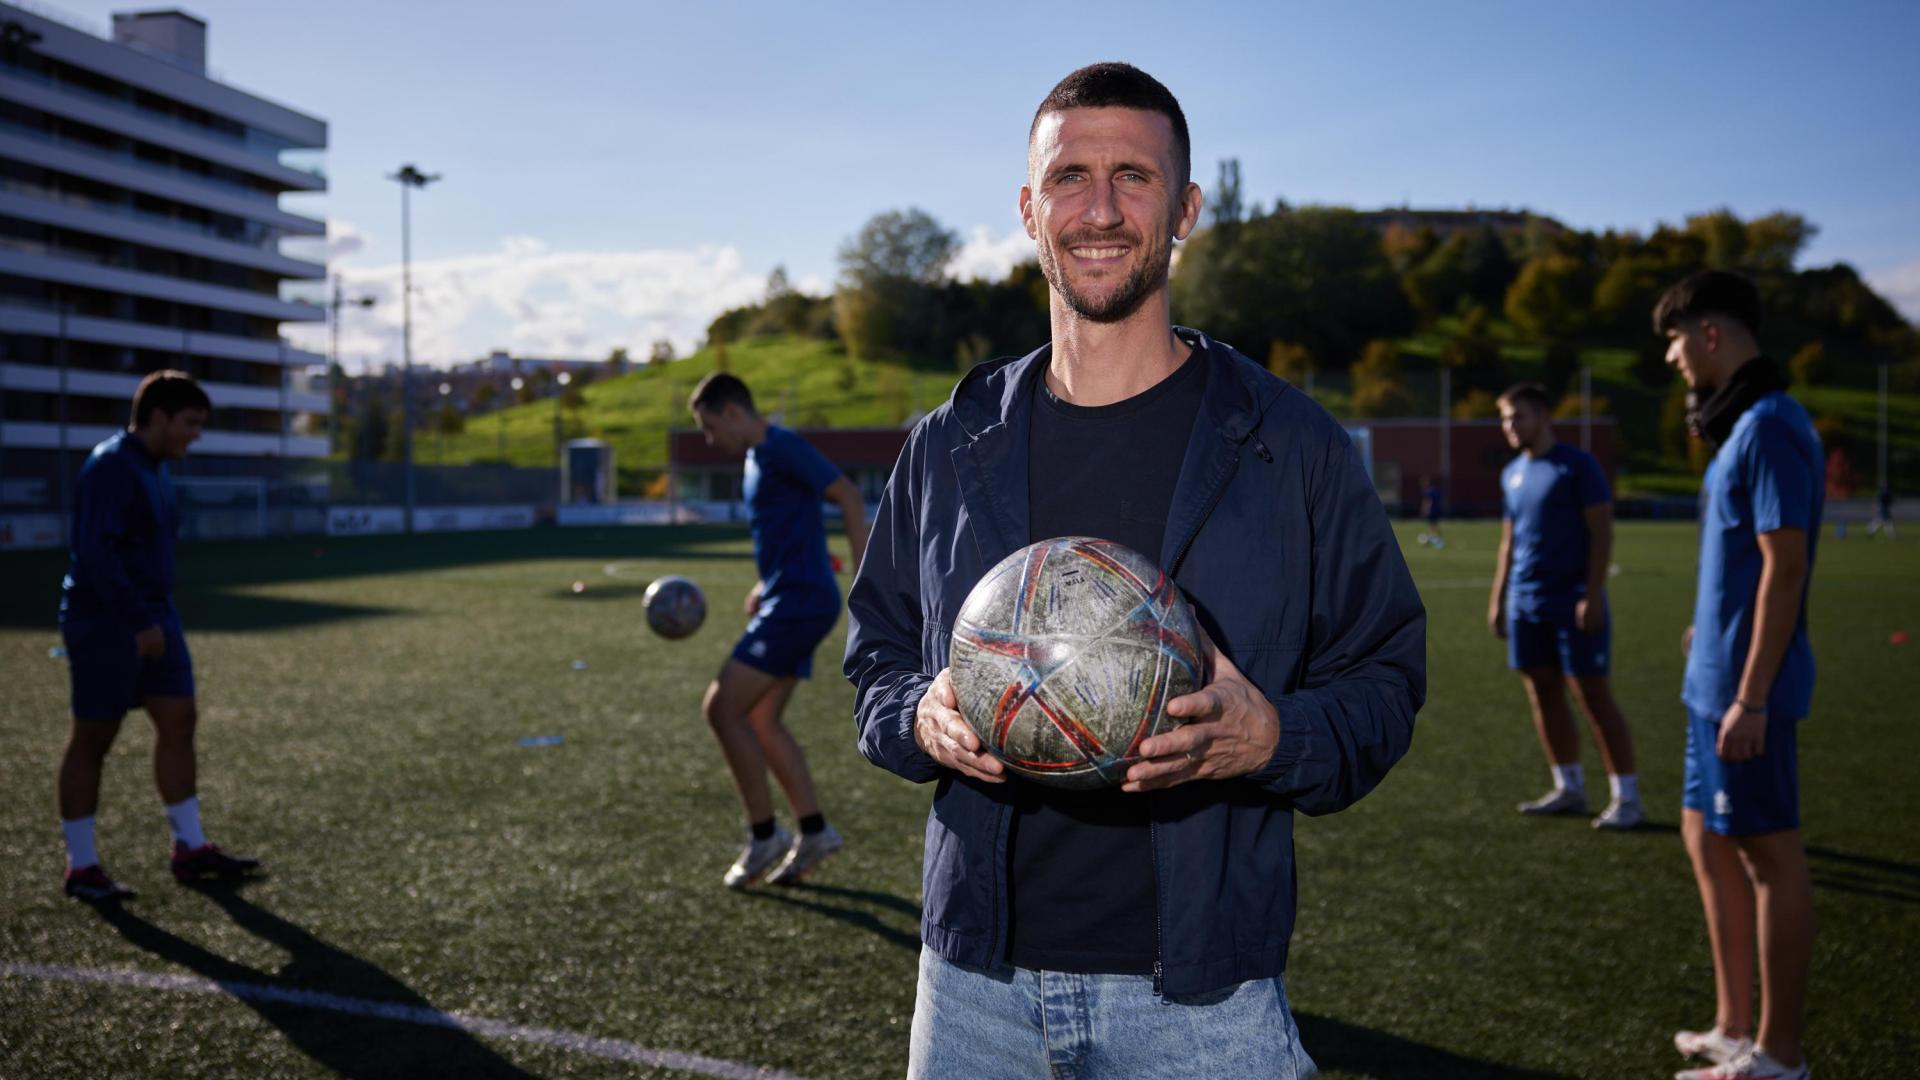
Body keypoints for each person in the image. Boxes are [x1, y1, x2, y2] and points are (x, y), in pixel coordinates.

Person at [845, 63, 1424, 1077]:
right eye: (1069, 177)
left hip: (1201, 1005)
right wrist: (918, 717)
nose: (1101, 210)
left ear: (1186, 208)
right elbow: (876, 659)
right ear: (1029, 210)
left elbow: (1384, 678)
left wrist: (1271, 736)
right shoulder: (950, 444)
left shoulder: (1288, 444)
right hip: (972, 994)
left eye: (1134, 177)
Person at [1656, 270, 1821, 1080]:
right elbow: (1741, 565)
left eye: (1675, 340)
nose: (1672, 358)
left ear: (1711, 334)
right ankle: (1733, 1026)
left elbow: (1784, 569)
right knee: (1703, 834)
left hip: (1744, 693)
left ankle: (1779, 1057)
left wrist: (1751, 696)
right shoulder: (1741, 428)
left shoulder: (1771, 426)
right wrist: (1707, 628)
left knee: (1767, 855)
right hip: (1711, 680)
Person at [57, 370, 259, 901]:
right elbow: (95, 554)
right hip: (107, 621)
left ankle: (189, 847)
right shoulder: (110, 465)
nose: (197, 434)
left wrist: (154, 617)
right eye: (190, 422)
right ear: (158, 417)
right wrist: (136, 621)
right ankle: (82, 867)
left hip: (157, 616)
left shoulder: (156, 469)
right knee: (94, 738)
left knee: (179, 719)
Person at [687, 373, 869, 888]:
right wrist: (764, 582)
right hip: (787, 596)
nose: (709, 441)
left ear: (732, 412)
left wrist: (866, 579)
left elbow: (848, 495)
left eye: (709, 428)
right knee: (761, 719)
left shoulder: (781, 446)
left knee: (721, 709)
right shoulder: (755, 458)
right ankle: (813, 831)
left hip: (800, 604)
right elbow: (789, 529)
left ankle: (764, 835)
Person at [1488, 382, 1641, 829]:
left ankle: (1627, 797)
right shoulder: (1512, 472)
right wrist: (1499, 598)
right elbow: (1508, 542)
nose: (1510, 426)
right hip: (1525, 602)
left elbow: (1602, 533)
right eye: (1505, 418)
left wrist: (1591, 594)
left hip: (1571, 601)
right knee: (1542, 691)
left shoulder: (1577, 466)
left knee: (1592, 695)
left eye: (1518, 416)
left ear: (1543, 416)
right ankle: (1568, 786)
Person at [1417, 475, 1447, 547]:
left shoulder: (1428, 491)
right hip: (1437, 510)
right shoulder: (1435, 490)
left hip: (1432, 511)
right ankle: (1438, 539)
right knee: (1434, 525)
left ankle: (1435, 540)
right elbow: (1441, 500)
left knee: (1432, 525)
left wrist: (1425, 510)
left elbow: (1427, 501)